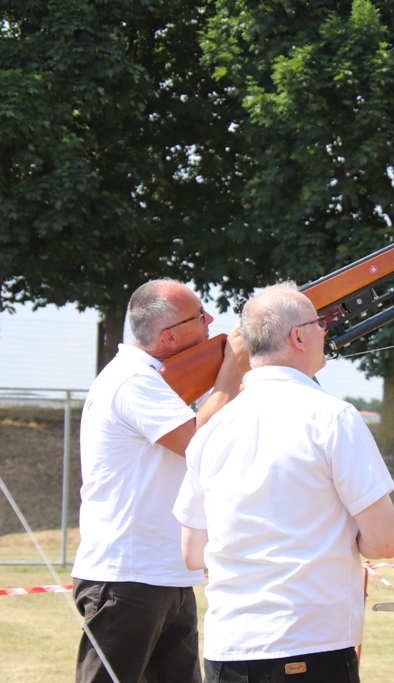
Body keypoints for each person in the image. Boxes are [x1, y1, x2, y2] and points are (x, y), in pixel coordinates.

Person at [173, 282, 394, 683]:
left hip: (229, 647)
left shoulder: (210, 429)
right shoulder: (334, 418)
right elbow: (385, 541)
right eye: (320, 323)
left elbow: (193, 553)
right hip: (310, 643)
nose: (325, 331)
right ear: (298, 336)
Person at [73, 279, 250, 683]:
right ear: (169, 336)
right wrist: (229, 376)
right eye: (199, 316)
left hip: (161, 572)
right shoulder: (134, 380)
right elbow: (199, 443)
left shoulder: (153, 380)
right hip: (128, 574)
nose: (210, 320)